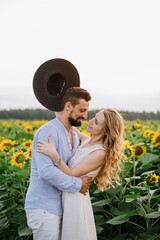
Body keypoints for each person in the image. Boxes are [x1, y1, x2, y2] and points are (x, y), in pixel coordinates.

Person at [37, 108, 125, 240]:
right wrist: (57, 103)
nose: (90, 121)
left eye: (96, 122)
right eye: (94, 117)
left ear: (106, 131)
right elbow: (66, 123)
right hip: (67, 193)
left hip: (75, 200)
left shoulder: (100, 153)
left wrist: (54, 155)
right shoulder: (86, 141)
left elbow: (71, 173)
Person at [25, 87, 92, 240]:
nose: (85, 115)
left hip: (62, 206)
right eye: (82, 110)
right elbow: (46, 172)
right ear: (68, 106)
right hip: (43, 207)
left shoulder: (74, 135)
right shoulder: (48, 131)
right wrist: (77, 184)